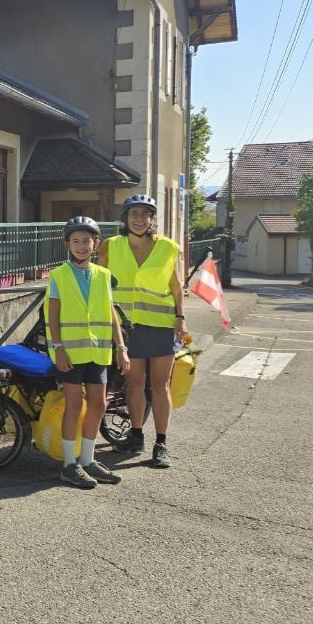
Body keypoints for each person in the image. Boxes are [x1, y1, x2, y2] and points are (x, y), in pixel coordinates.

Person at [98, 194, 185, 468]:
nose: (139, 219)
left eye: (145, 214)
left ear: (152, 219)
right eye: (134, 213)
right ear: (125, 218)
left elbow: (176, 286)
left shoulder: (169, 248)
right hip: (126, 327)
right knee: (134, 384)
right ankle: (136, 437)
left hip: (160, 325)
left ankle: (161, 444)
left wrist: (180, 318)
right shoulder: (110, 246)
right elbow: (99, 284)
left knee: (160, 386)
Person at [47, 216, 129, 489]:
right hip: (69, 353)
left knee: (99, 404)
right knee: (74, 405)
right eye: (76, 241)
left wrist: (121, 348)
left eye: (87, 241)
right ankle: (69, 465)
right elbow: (53, 317)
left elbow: (111, 314)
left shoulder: (104, 275)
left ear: (97, 243)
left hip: (99, 351)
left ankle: (88, 460)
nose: (82, 246)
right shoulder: (59, 275)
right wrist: (58, 349)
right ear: (67, 245)